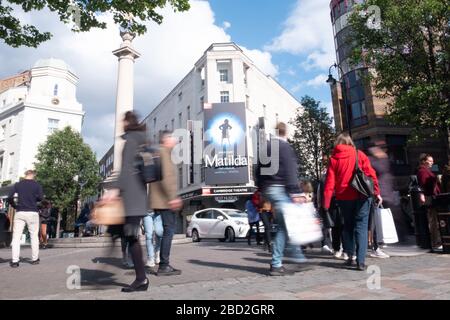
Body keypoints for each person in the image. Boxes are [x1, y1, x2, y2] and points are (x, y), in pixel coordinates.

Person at [103, 111, 149, 292]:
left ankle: (141, 279)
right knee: (127, 235)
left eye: (123, 120)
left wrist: (113, 191)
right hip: (137, 197)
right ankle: (140, 278)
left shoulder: (131, 140)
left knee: (130, 237)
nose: (121, 123)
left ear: (127, 122)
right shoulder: (142, 140)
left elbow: (126, 169)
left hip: (130, 198)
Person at [322, 134, 381, 271]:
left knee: (347, 226)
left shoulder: (334, 159)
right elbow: (371, 174)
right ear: (350, 142)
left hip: (343, 198)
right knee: (361, 226)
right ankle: (360, 261)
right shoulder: (359, 154)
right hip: (362, 195)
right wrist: (377, 192)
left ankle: (350, 256)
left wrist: (326, 202)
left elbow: (329, 182)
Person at [257, 122, 304, 276]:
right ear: (285, 132)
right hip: (279, 188)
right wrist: (296, 192)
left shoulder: (266, 147)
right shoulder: (284, 147)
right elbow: (290, 171)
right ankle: (280, 263)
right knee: (287, 225)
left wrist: (262, 188)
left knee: (286, 224)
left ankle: (296, 258)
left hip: (268, 189)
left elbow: (257, 170)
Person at [148, 130, 183, 276]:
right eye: (172, 138)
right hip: (165, 200)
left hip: (158, 199)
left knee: (164, 231)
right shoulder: (165, 153)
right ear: (166, 140)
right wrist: (173, 197)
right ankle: (164, 265)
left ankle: (163, 262)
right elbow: (167, 178)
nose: (174, 140)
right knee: (169, 231)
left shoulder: (158, 153)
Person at [7, 169, 44, 268]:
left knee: (16, 237)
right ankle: (35, 259)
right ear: (33, 176)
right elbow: (41, 198)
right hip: (32, 212)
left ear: (26, 175)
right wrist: (33, 198)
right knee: (34, 236)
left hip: (20, 212)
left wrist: (15, 206)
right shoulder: (37, 185)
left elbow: (9, 197)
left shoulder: (18, 184)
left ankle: (15, 261)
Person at [367, 144, 392, 258]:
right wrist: (377, 193)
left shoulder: (371, 161)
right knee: (372, 221)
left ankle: (374, 245)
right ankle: (375, 246)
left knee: (369, 222)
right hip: (372, 194)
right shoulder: (372, 162)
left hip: (369, 194)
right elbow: (373, 178)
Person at [416, 154, 442, 251]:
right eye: (430, 161)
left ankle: (436, 241)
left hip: (432, 197)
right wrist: (436, 179)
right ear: (424, 161)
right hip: (430, 198)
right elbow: (424, 185)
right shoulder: (422, 171)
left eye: (432, 161)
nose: (432, 163)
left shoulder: (426, 171)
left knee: (435, 220)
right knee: (433, 220)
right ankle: (435, 242)